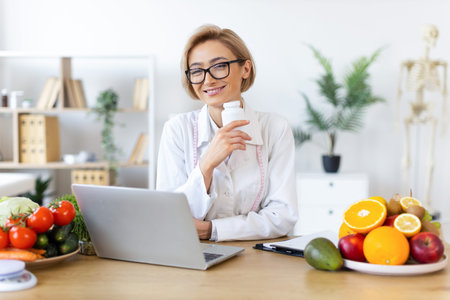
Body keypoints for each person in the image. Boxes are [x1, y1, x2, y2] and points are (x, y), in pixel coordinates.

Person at [157, 24, 297, 242]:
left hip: (258, 256)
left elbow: (282, 217)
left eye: (219, 66)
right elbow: (169, 217)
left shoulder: (275, 128)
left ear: (245, 69)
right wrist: (206, 165)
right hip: (193, 254)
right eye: (196, 71)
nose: (208, 79)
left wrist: (211, 230)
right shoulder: (177, 129)